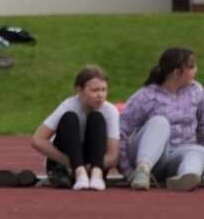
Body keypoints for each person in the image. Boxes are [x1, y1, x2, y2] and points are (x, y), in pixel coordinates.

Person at [118, 47, 204, 191]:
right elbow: (121, 130)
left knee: (199, 151)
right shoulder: (146, 96)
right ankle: (142, 172)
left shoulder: (197, 92)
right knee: (160, 122)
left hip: (178, 156)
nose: (196, 70)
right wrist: (127, 170)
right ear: (177, 73)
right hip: (149, 157)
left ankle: (187, 177)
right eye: (191, 67)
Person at [30, 65, 119, 191]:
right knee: (69, 118)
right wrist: (73, 164)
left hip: (94, 164)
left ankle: (96, 175)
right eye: (94, 90)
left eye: (104, 90)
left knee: (97, 118)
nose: (100, 95)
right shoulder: (69, 105)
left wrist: (89, 167)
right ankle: (79, 173)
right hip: (64, 164)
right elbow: (37, 140)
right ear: (79, 90)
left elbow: (113, 156)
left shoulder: (110, 111)